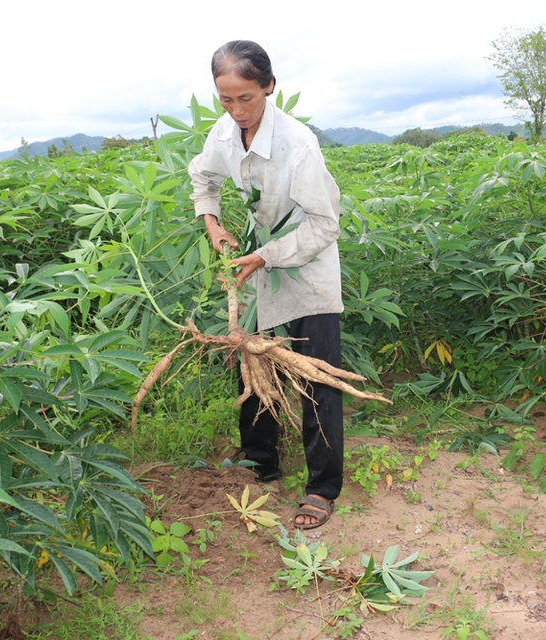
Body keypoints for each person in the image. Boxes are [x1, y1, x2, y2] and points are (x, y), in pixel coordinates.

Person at [187, 40, 344, 530]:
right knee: (253, 361)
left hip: (306, 262)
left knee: (315, 375)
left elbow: (325, 225)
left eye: (246, 98)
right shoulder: (223, 133)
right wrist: (212, 223)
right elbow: (203, 178)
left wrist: (266, 255)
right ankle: (261, 462)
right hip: (257, 262)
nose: (236, 110)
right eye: (226, 99)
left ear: (269, 87)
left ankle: (322, 487)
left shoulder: (298, 145)